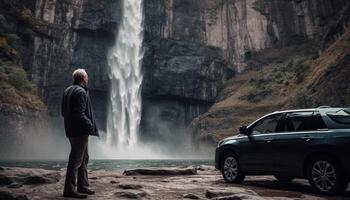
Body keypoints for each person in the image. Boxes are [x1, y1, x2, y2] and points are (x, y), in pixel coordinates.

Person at [61, 68, 99, 198]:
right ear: (83, 78)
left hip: (70, 129)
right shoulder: (81, 92)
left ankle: (83, 186)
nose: (88, 79)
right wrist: (89, 125)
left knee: (84, 158)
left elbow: (63, 112)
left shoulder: (68, 90)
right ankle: (70, 190)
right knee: (76, 160)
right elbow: (79, 113)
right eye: (87, 77)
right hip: (80, 131)